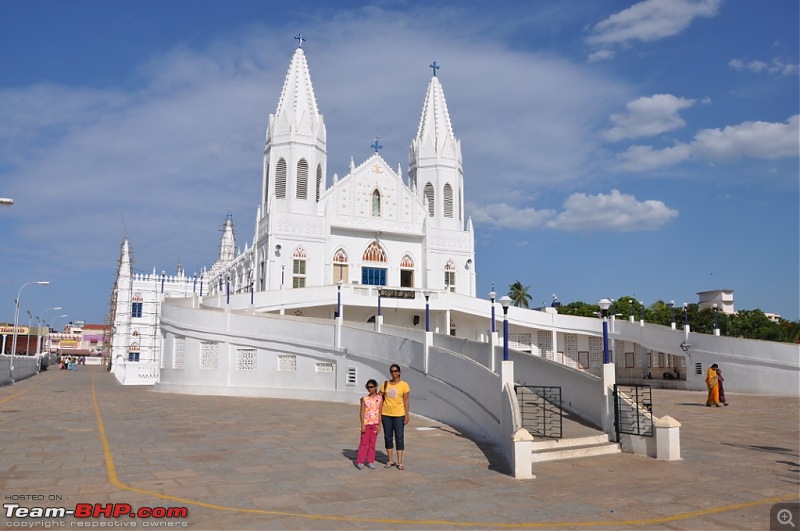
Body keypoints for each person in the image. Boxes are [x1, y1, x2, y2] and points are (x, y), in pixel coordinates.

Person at [380, 364, 410, 470]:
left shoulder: (404, 385)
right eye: (392, 371)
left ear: (399, 372)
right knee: (388, 437)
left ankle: (400, 462)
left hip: (399, 414)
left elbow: (406, 400)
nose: (394, 373)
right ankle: (390, 460)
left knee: (399, 437)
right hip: (386, 414)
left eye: (396, 371)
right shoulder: (385, 384)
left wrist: (407, 414)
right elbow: (380, 397)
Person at [355, 379, 382, 469]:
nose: (370, 389)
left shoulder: (379, 399)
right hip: (367, 423)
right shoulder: (365, 399)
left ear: (375, 387)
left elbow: (379, 412)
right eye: (368, 387)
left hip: (375, 423)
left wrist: (379, 425)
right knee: (364, 443)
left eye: (371, 387)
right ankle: (360, 460)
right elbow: (361, 412)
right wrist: (362, 424)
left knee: (372, 443)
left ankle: (370, 461)